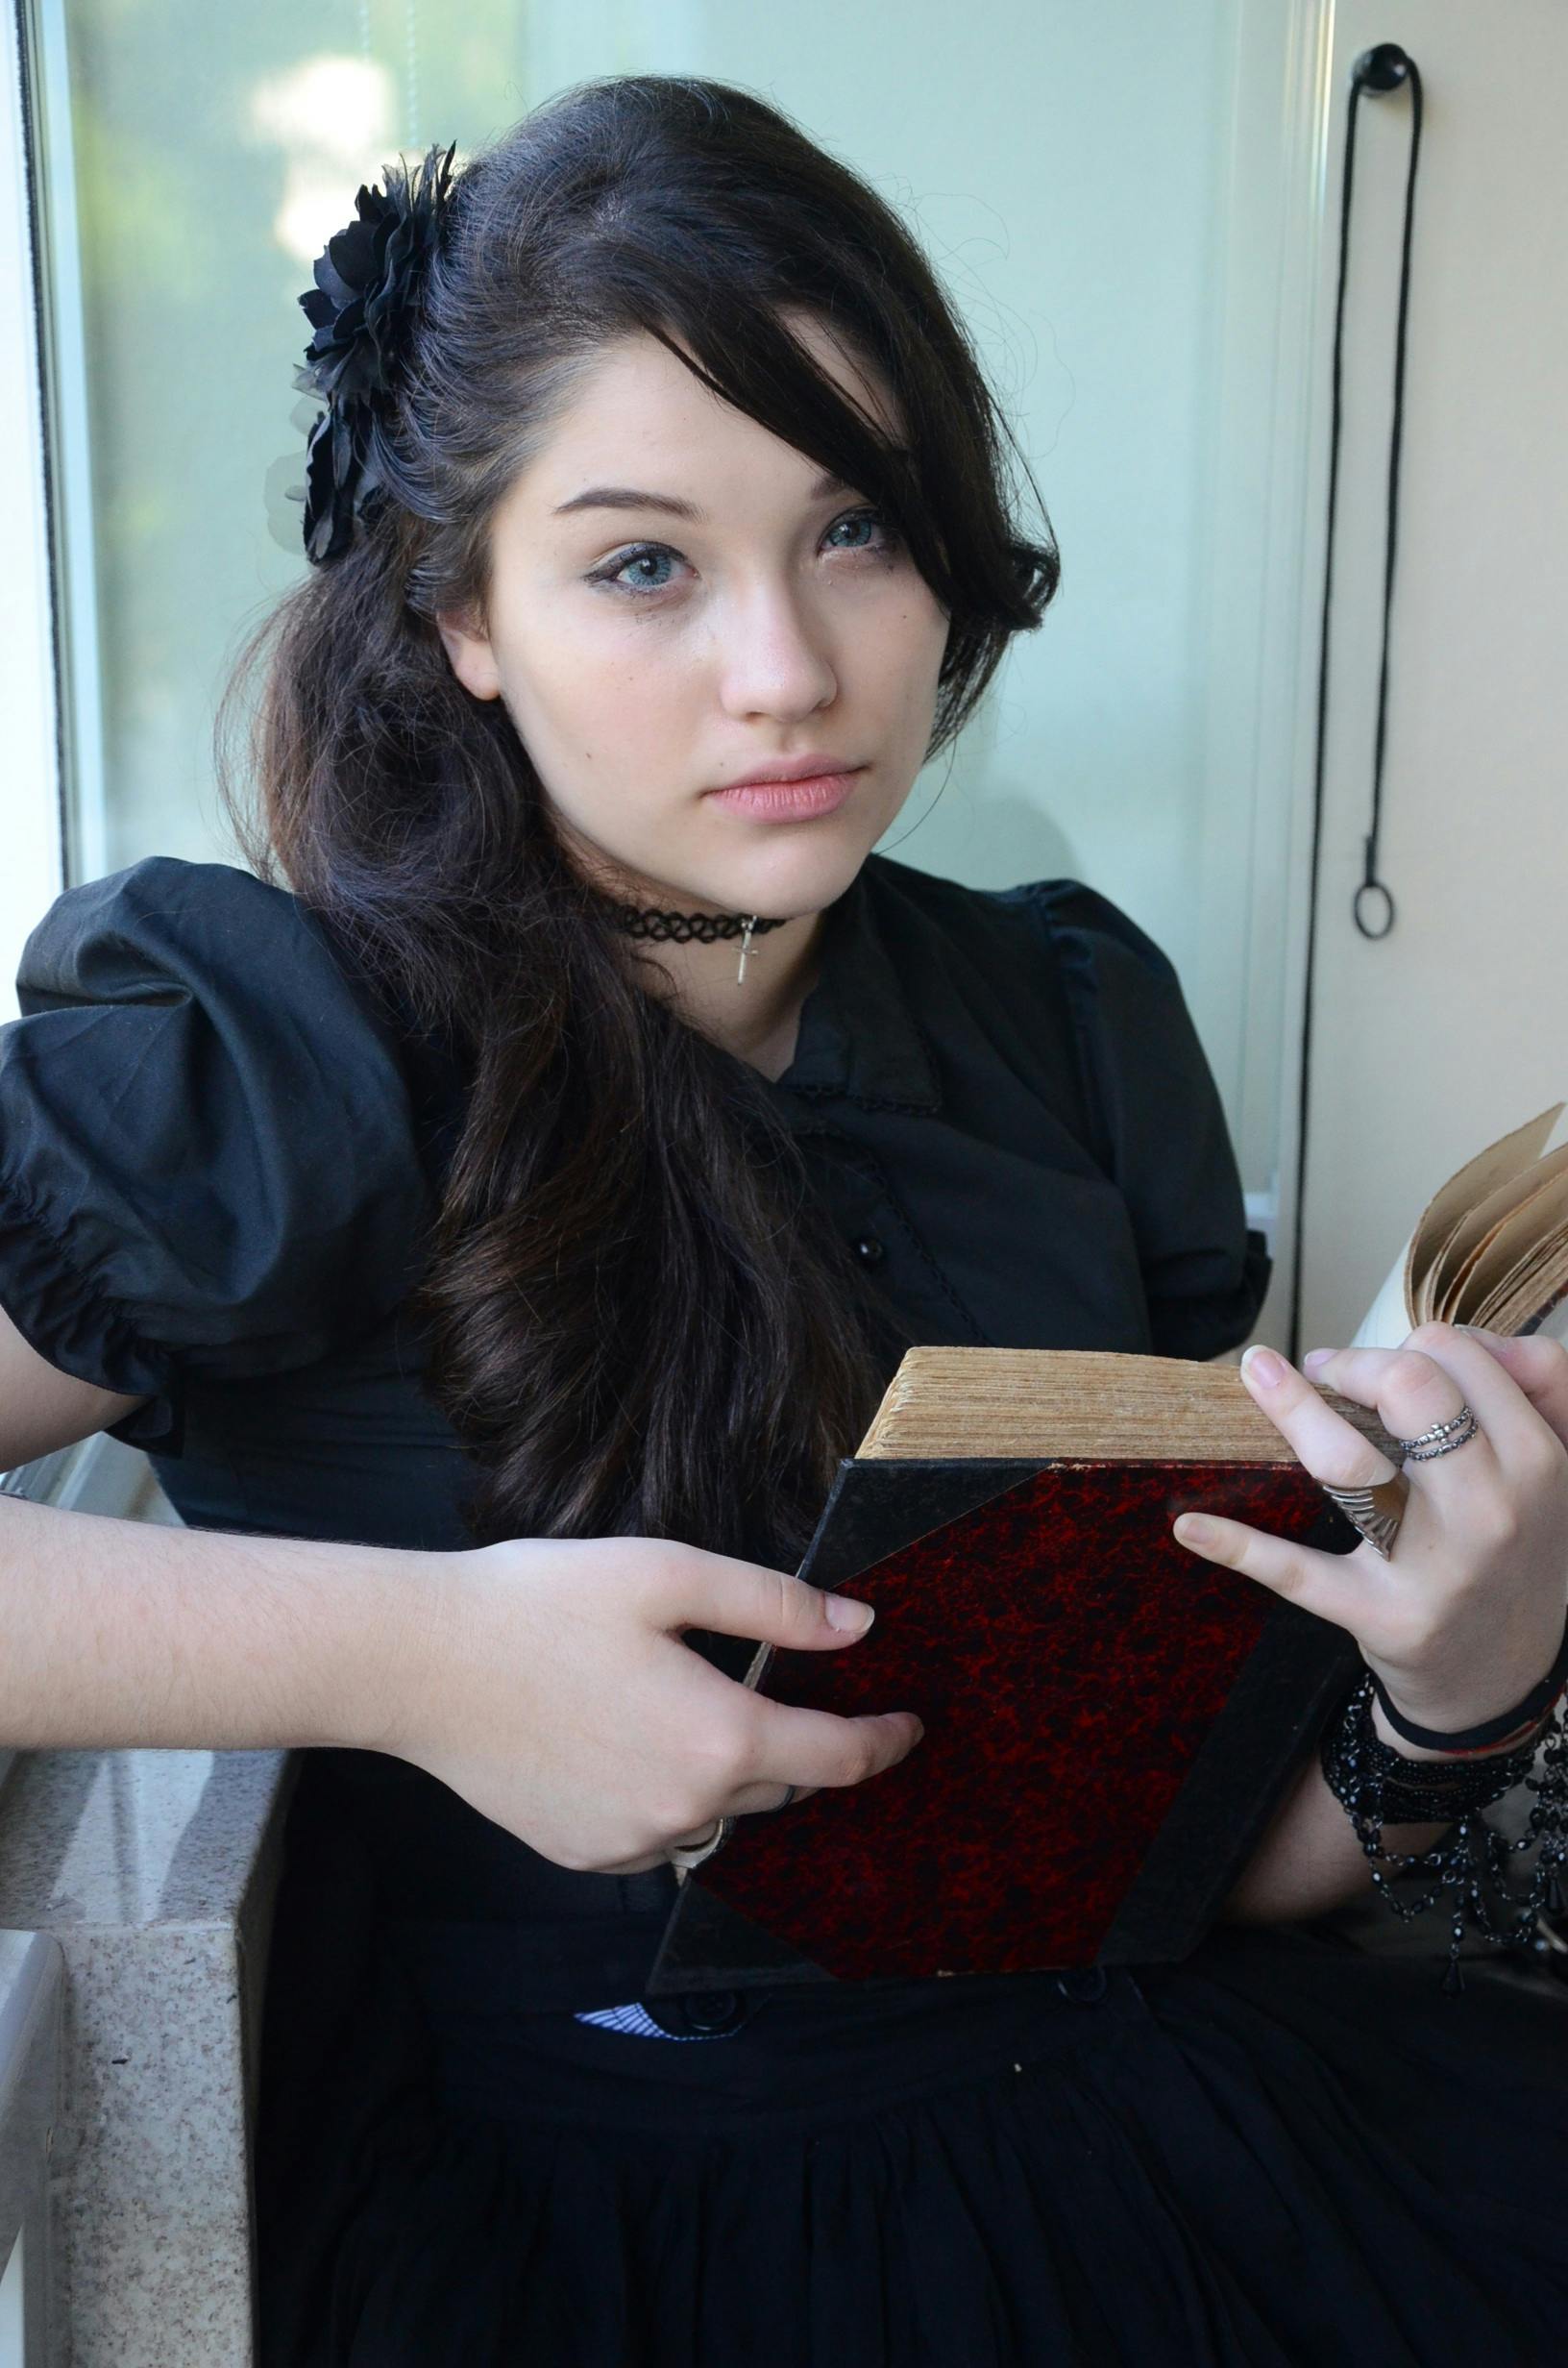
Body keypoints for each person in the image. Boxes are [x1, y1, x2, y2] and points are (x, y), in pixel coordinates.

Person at [3, 71, 1568, 2367]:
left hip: (1165, 2119)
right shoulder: (271, 1046)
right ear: (459, 612)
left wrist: (1458, 1689)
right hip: (616, 2226)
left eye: (856, 529)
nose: (793, 669)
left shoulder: (1067, 1013)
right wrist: (412, 1659)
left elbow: (1165, 1864)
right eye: (642, 561)